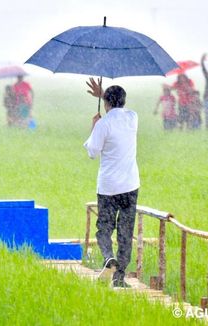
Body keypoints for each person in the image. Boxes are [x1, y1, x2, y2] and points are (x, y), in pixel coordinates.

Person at [84, 78, 140, 288]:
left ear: (106, 102)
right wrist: (104, 96)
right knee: (125, 231)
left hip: (108, 188)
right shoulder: (133, 118)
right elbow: (116, 109)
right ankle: (120, 278)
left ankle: (108, 257)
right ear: (124, 101)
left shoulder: (103, 124)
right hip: (130, 185)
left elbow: (92, 152)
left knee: (105, 228)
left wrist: (94, 127)